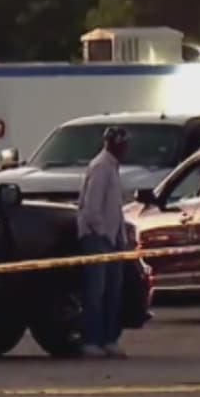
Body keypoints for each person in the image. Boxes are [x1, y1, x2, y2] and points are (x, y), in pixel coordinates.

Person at [76, 126, 129, 359]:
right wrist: (101, 236)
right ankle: (91, 339)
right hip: (98, 239)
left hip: (112, 239)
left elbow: (115, 208)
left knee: (112, 292)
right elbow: (91, 208)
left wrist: (120, 238)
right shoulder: (101, 167)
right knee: (95, 292)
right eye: (124, 143)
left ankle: (109, 338)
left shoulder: (113, 168)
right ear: (114, 143)